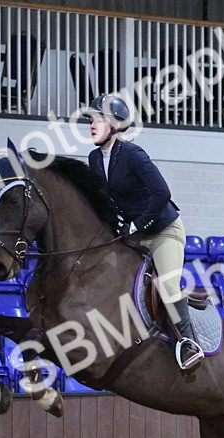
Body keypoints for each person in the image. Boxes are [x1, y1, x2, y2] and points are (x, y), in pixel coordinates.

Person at [85, 93, 203, 373]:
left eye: (97, 119)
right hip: (132, 233)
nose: (91, 124)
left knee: (169, 285)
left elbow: (162, 193)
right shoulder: (94, 159)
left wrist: (136, 225)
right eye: (90, 119)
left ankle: (187, 342)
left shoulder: (132, 154)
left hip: (163, 230)